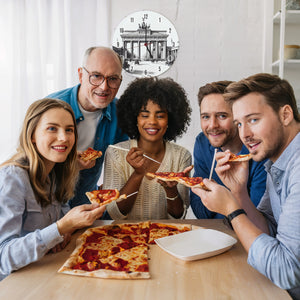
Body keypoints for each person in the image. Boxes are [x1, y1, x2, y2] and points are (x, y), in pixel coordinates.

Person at [192, 73, 300, 299]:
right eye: (240, 123)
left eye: (253, 120)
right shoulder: (276, 159)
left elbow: (286, 271)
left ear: (286, 114)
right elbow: (269, 230)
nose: (245, 134)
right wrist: (239, 192)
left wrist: (232, 209)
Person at [0, 99, 105, 280]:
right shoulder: (12, 177)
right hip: (14, 285)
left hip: (45, 272)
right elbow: (3, 258)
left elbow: (58, 230)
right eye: (52, 128)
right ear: (32, 134)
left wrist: (64, 232)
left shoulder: (56, 170)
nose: (64, 137)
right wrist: (62, 226)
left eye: (69, 130)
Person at [47, 46, 128, 208]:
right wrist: (69, 164)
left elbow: (121, 164)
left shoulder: (121, 113)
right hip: (47, 205)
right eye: (96, 76)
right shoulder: (49, 108)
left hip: (86, 207)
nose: (104, 87)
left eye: (113, 78)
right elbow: (29, 164)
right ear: (81, 75)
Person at [102, 77, 192, 220]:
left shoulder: (181, 155)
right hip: (124, 238)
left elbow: (179, 216)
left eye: (160, 115)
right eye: (144, 115)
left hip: (166, 237)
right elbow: (114, 212)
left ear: (170, 120)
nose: (152, 122)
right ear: (134, 118)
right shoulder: (116, 153)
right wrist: (138, 174)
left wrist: (171, 190)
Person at [190, 80, 267, 219]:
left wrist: (218, 199)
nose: (212, 125)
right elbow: (200, 212)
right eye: (206, 117)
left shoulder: (259, 151)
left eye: (222, 116)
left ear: (238, 117)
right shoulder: (202, 142)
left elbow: (257, 219)